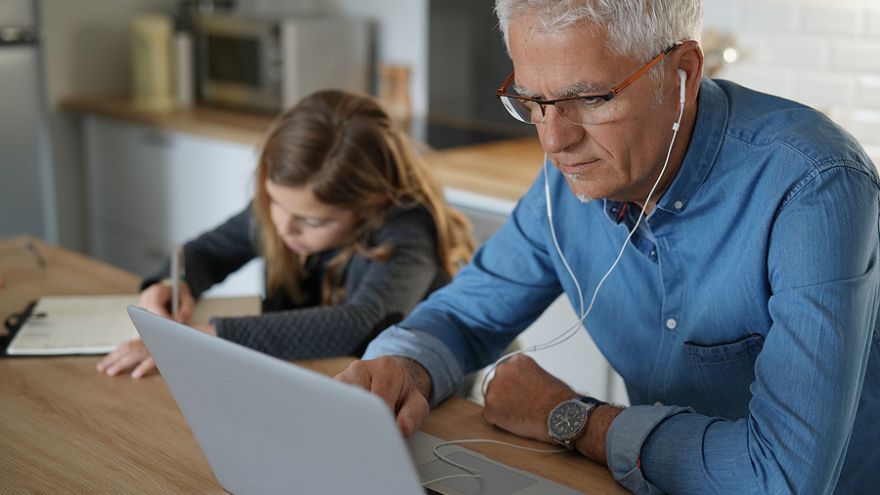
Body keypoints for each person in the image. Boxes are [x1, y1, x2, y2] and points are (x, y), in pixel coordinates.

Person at [334, 1, 880, 493]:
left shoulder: (813, 186)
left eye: (589, 99)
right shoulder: (568, 182)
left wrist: (570, 417)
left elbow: (782, 479)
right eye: (534, 101)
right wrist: (400, 367)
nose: (553, 141)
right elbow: (463, 317)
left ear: (683, 73)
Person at [97, 90, 475, 379]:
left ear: (371, 204)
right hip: (311, 378)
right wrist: (170, 284)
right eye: (276, 203)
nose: (284, 227)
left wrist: (209, 338)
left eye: (312, 222)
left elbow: (358, 321)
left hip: (419, 400)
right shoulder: (287, 208)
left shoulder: (409, 229)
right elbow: (207, 252)